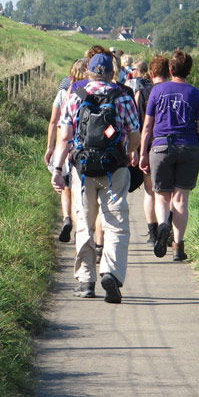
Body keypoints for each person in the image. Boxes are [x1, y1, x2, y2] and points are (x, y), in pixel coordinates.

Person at [51, 53, 141, 303]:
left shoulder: (75, 95)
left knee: (84, 222)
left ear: (89, 73)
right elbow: (135, 135)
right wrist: (129, 153)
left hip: (82, 170)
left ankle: (86, 280)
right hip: (115, 169)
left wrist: (58, 170)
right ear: (113, 73)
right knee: (116, 223)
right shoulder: (123, 96)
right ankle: (110, 272)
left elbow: (65, 137)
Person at [139, 51, 199, 262]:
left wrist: (143, 153)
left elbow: (147, 126)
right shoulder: (196, 94)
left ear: (170, 70)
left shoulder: (156, 91)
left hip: (160, 147)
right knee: (181, 198)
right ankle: (178, 248)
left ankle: (163, 225)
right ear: (189, 70)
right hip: (188, 148)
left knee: (161, 195)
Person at [46, 59, 90, 243]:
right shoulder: (88, 93)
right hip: (81, 147)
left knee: (65, 187)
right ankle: (80, 226)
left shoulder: (63, 92)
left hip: (62, 147)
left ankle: (66, 219)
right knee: (77, 190)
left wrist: (50, 147)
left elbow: (53, 121)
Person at [131, 57, 167, 244]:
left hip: (149, 145)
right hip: (169, 145)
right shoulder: (171, 91)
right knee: (169, 192)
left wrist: (137, 151)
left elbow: (137, 124)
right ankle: (167, 228)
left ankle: (153, 234)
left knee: (150, 191)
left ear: (151, 74)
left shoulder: (142, 94)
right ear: (168, 73)